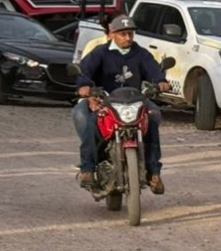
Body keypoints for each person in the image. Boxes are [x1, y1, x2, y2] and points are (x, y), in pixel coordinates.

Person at [74, 14, 173, 193]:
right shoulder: (100, 53)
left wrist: (161, 81)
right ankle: (87, 169)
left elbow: (154, 70)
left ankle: (154, 172)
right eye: (123, 34)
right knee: (91, 121)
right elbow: (85, 72)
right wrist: (85, 87)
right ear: (112, 34)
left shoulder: (141, 53)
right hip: (106, 101)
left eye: (130, 34)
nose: (128, 38)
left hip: (135, 101)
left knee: (153, 117)